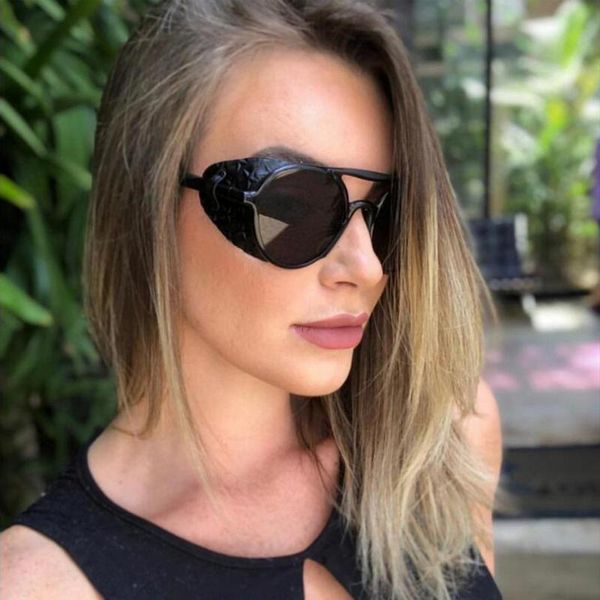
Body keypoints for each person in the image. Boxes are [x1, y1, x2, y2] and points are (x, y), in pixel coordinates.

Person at [0, 1, 503, 598]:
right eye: (291, 206)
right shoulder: (37, 584)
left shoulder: (442, 442)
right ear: (148, 204)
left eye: (385, 212)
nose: (367, 268)